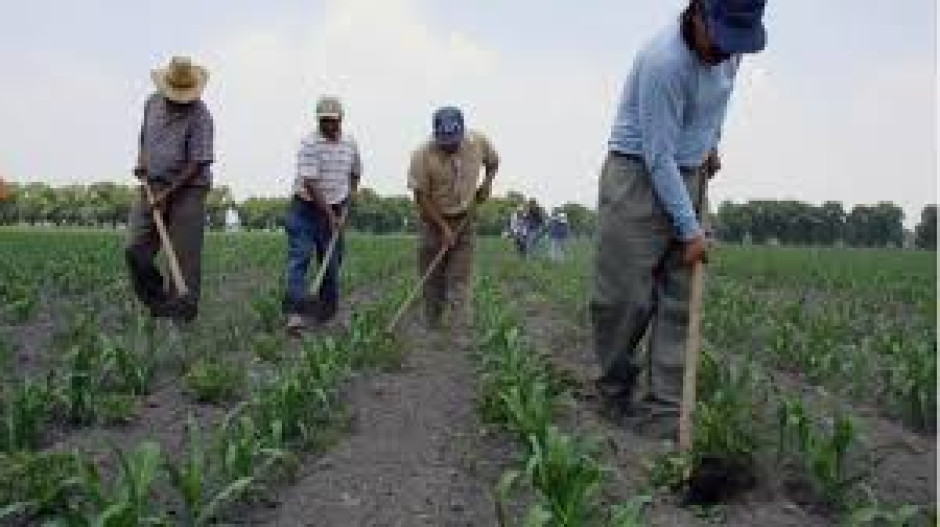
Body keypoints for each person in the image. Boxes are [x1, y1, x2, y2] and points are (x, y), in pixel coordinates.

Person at [591, 0, 767, 437]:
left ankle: (666, 418)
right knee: (624, 301)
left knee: (680, 306)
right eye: (721, 37)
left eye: (736, 41)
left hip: (689, 173)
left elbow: (719, 101)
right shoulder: (664, 61)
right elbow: (657, 155)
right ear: (698, 13)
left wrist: (711, 142)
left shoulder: (730, 50)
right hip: (637, 177)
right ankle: (613, 396)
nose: (726, 52)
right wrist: (690, 230)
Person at [126, 56, 214, 322]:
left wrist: (167, 195)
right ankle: (159, 303)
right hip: (151, 185)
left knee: (184, 261)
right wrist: (142, 162)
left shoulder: (201, 116)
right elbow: (143, 137)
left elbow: (198, 163)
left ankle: (182, 318)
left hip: (188, 189)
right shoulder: (151, 103)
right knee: (135, 248)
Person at [408, 106, 499, 330]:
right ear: (436, 134)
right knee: (432, 281)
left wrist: (486, 184)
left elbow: (494, 162)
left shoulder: (477, 142)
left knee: (459, 280)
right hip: (432, 220)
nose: (450, 145)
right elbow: (421, 198)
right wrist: (442, 227)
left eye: (453, 140)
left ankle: (456, 336)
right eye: (445, 141)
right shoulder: (421, 154)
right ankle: (432, 329)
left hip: (465, 219)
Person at [284, 96, 362, 333]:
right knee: (301, 255)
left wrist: (349, 199)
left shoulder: (350, 143)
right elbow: (310, 184)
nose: (328, 124)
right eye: (323, 120)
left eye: (332, 120)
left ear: (341, 119)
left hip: (337, 205)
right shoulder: (309, 143)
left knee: (331, 263)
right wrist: (330, 215)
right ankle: (296, 315)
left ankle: (326, 315)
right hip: (305, 208)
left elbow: (355, 173)